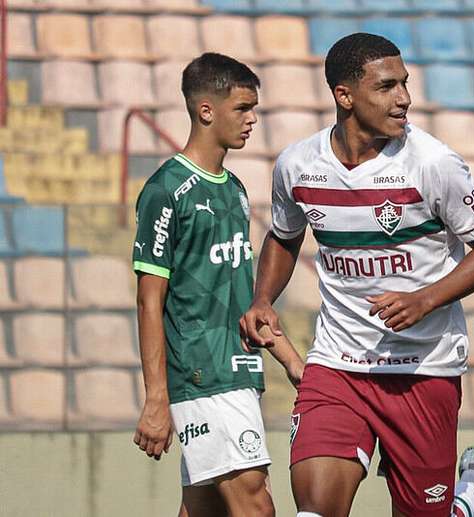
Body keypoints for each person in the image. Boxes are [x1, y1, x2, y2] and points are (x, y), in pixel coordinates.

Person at [239, 33, 474, 517]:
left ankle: (473, 490)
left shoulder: (432, 163)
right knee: (315, 510)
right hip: (338, 364)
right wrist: (263, 299)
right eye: (387, 86)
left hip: (423, 368)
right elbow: (284, 236)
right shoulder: (299, 165)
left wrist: (425, 299)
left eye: (404, 84)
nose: (404, 97)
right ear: (344, 96)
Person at [131, 52, 304, 517]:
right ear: (206, 110)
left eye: (255, 109)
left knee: (206, 509)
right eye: (243, 108)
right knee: (255, 503)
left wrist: (289, 359)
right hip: (203, 374)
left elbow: (242, 298)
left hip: (238, 369)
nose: (252, 120)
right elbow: (150, 302)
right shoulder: (166, 191)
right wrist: (156, 397)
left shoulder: (234, 189)